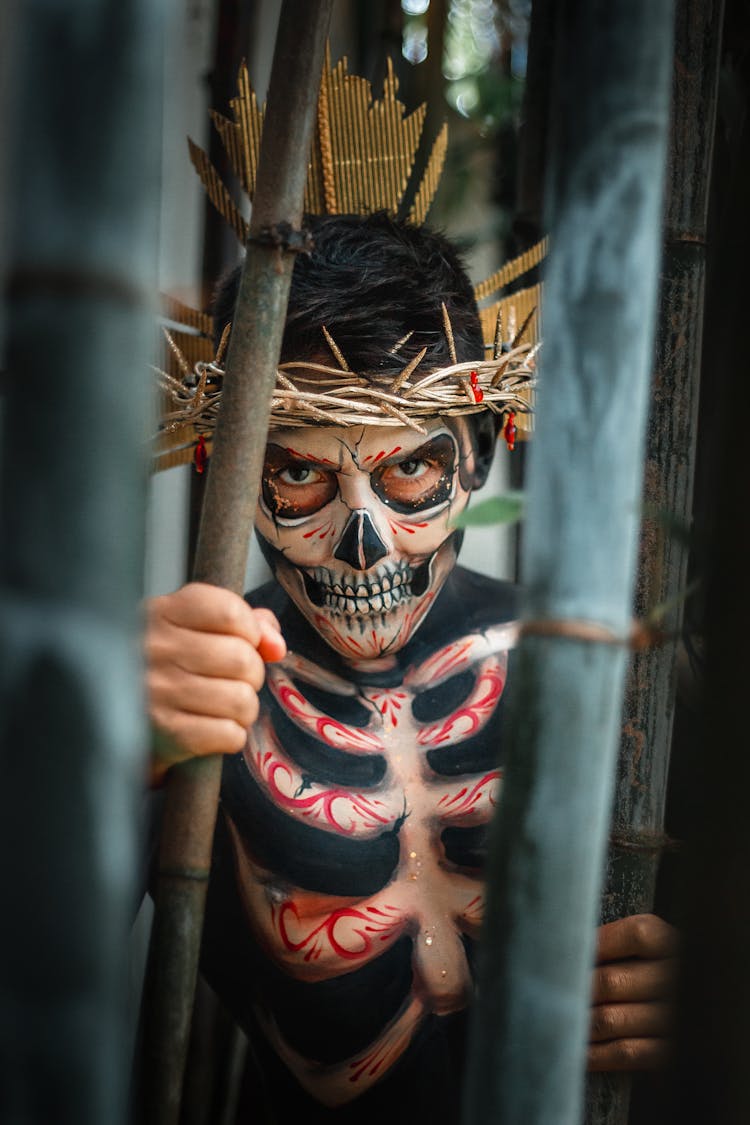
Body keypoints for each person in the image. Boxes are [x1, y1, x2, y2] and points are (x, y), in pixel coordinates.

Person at [146, 212, 678, 1124]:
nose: (364, 544)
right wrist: (83, 740)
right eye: (300, 476)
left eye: (409, 474)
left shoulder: (604, 675)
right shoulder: (189, 696)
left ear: (479, 444)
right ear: (225, 463)